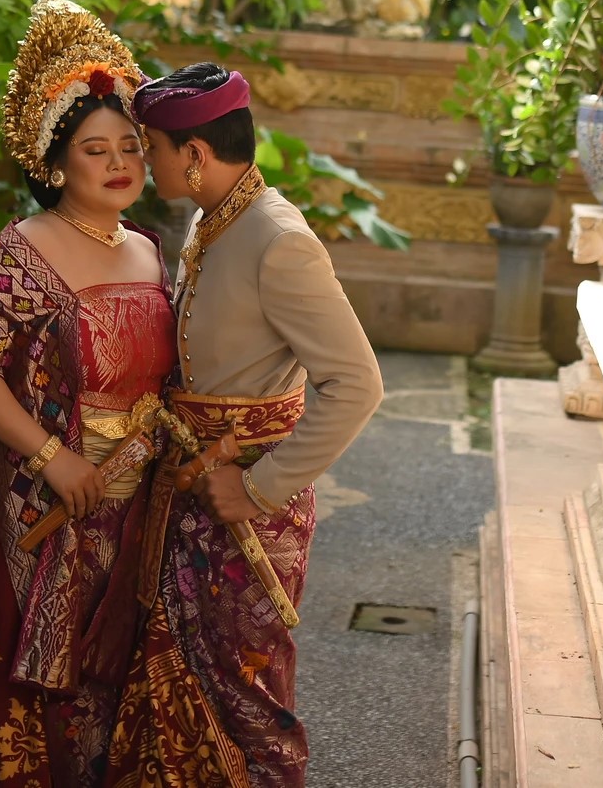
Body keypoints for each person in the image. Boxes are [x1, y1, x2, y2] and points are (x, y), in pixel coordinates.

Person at [104, 62, 385, 788]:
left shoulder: (277, 238)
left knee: (246, 695)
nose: (144, 161)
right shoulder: (213, 216)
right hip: (192, 489)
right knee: (176, 687)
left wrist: (259, 489)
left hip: (247, 512)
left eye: (152, 147)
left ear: (195, 154)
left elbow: (357, 384)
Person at [0, 0, 175, 788]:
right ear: (55, 162)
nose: (119, 162)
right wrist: (51, 456)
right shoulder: (26, 250)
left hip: (134, 507)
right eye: (96, 149)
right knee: (33, 712)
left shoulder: (149, 250)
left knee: (117, 696)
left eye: (130, 145)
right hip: (45, 509)